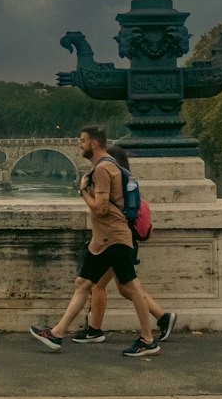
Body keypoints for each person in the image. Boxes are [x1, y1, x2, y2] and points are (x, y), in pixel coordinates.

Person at [29, 125, 166, 357]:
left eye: (82, 141)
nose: (79, 145)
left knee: (132, 289)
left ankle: (148, 340)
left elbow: (101, 208)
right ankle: (57, 333)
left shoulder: (103, 169)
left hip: (112, 237)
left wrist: (83, 191)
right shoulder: (111, 165)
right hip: (104, 240)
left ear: (93, 143)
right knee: (83, 283)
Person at [71, 144, 176, 345]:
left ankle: (95, 330)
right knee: (126, 288)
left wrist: (84, 190)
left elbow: (102, 212)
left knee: (99, 285)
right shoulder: (126, 186)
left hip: (115, 243)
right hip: (123, 242)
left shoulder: (113, 186)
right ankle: (162, 317)